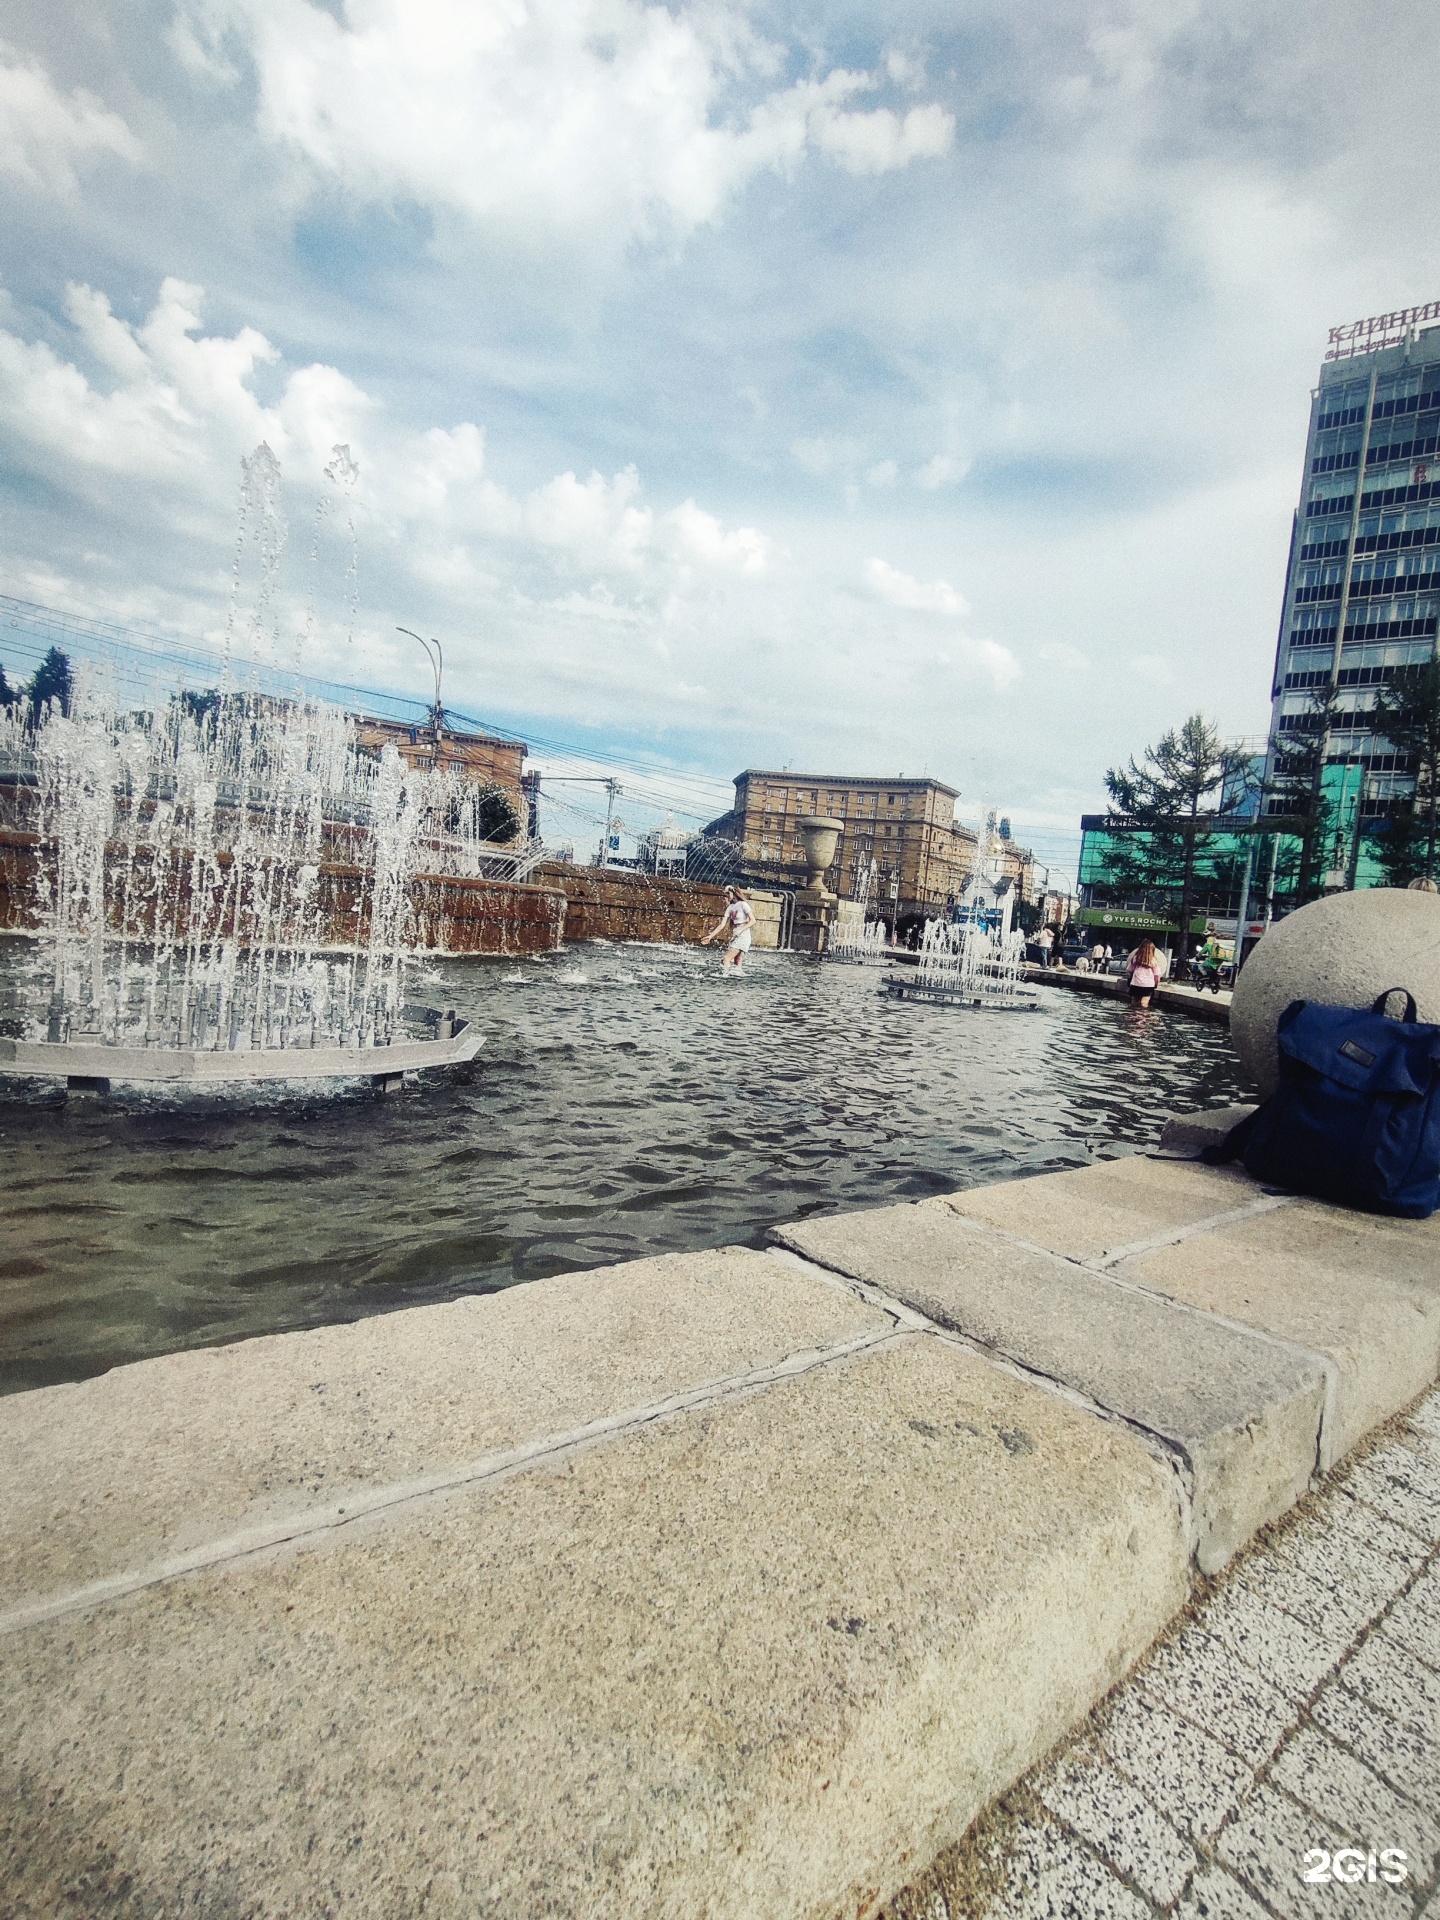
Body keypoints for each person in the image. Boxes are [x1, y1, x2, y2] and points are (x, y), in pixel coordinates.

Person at [702, 886, 756, 970]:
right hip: (736, 935)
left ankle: (726, 976)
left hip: (743, 935)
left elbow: (753, 920)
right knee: (737, 962)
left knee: (726, 959)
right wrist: (710, 936)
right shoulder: (730, 908)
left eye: (728, 893)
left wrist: (741, 929)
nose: (726, 896)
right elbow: (721, 925)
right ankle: (736, 978)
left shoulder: (743, 904)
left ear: (734, 893)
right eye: (725, 894)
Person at [1127, 939, 1161, 1009]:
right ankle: (1142, 1018)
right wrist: (1156, 984)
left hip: (1136, 983)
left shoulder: (1135, 958)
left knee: (1134, 1002)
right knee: (1144, 1003)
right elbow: (1157, 976)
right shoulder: (1154, 960)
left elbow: (1129, 970)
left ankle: (1132, 1017)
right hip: (1148, 985)